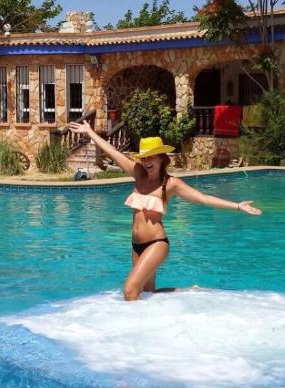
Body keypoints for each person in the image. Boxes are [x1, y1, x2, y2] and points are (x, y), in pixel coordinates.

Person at [68, 122, 262, 301]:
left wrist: (237, 206)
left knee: (129, 290)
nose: (146, 161)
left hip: (156, 244)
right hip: (136, 245)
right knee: (147, 294)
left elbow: (203, 198)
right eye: (144, 157)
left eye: (151, 156)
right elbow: (113, 152)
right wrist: (90, 132)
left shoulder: (171, 184)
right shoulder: (138, 174)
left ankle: (133, 333)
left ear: (162, 158)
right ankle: (189, 291)